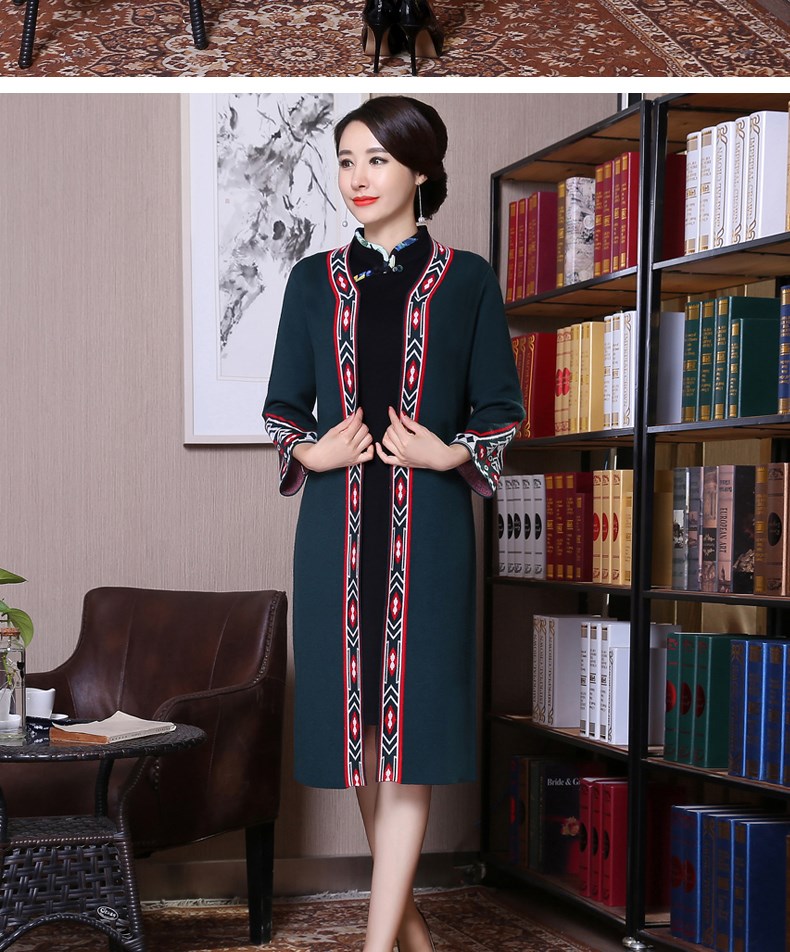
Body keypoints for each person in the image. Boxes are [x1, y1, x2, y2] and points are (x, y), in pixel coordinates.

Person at [263, 96, 524, 952]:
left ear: (419, 170)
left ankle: (376, 945)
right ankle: (411, 936)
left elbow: (500, 406)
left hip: (432, 533)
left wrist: (449, 454)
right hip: (335, 533)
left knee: (412, 729)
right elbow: (282, 407)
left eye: (377, 159)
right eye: (346, 160)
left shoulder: (468, 279)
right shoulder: (312, 281)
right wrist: (313, 453)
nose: (358, 177)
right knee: (362, 732)